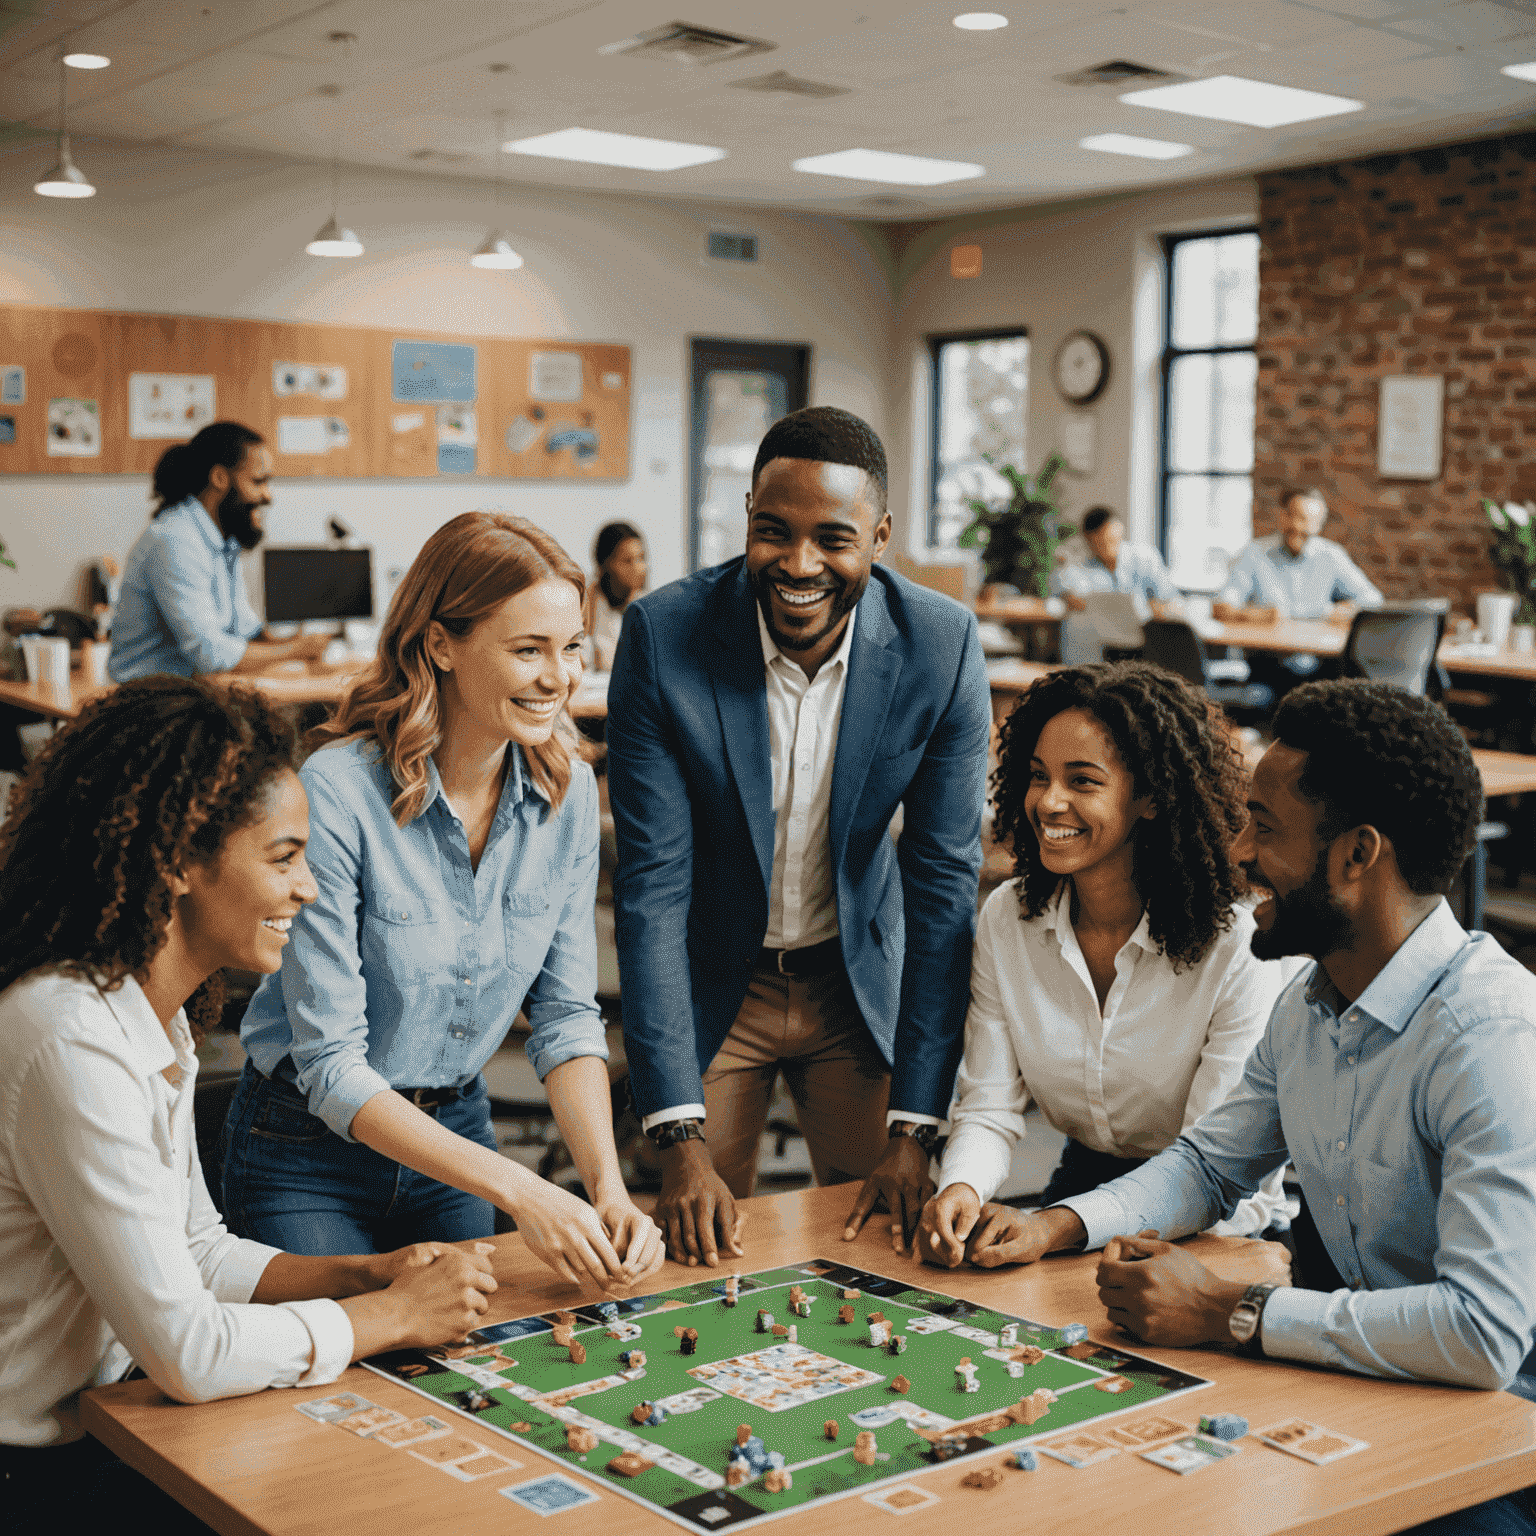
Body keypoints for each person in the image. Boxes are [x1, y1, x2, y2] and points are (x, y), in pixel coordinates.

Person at [943, 680, 1536, 1536]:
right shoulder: (1311, 1001)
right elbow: (1208, 1165)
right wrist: (1054, 1225)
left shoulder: (1488, 1037)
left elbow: (1482, 1336)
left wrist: (1229, 1310)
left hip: (1504, 1421)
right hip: (1374, 1383)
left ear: (1356, 855)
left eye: (1265, 826)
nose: (1239, 848)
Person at [0, 679, 497, 1532]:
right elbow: (190, 1351)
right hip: (39, 1471)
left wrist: (367, 1275)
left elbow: (197, 1251)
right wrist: (387, 1315)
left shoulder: (154, 1015)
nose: (307, 888)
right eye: (282, 856)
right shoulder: (66, 1034)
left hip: (116, 1420)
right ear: (177, 860)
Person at [222, 512, 662, 1293]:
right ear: (440, 644)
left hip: (455, 1130)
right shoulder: (338, 792)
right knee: (337, 1388)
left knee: (473, 1368)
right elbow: (329, 1065)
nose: (558, 678)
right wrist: (523, 1188)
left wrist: (609, 1190)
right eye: (528, 650)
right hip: (307, 1150)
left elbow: (564, 1019)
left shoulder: (565, 796)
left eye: (570, 648)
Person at [607, 405, 991, 1267]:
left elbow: (942, 891)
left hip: (853, 986)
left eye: (834, 539)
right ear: (746, 515)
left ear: (881, 537)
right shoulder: (664, 637)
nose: (800, 564)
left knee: (885, 1249)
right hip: (719, 982)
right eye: (773, 531)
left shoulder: (940, 645)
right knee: (695, 1249)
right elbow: (653, 889)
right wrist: (676, 1136)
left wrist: (918, 1129)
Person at [917, 663, 1292, 1268]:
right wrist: (961, 1187)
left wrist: (1052, 1226)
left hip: (1224, 1230)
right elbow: (988, 1104)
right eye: (1037, 777)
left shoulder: (1235, 942)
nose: (1049, 802)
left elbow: (1210, 1174)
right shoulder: (1008, 918)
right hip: (1080, 1196)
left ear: (1149, 797)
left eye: (1082, 782)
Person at [109, 421, 331, 683]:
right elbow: (209, 654)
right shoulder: (176, 539)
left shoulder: (222, 541)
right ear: (220, 478)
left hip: (192, 693)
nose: (268, 496)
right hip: (149, 702)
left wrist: (298, 642)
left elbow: (243, 629)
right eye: (258, 481)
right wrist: (295, 651)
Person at [1215, 487, 1382, 625]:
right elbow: (1222, 606)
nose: (1298, 526)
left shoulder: (1331, 556)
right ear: (1282, 517)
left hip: (1322, 655)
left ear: (1319, 527)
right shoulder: (1254, 553)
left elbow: (1373, 600)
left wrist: (1349, 609)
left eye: (1308, 521)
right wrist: (1257, 615)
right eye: (1293, 516)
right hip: (1266, 655)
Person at [1055, 509, 1180, 664]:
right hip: (1101, 645)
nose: (1107, 548)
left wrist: (1156, 608)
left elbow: (1170, 601)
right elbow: (1070, 596)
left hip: (1144, 643)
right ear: (1088, 540)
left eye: (1112, 540)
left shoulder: (1144, 558)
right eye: (1099, 543)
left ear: (1120, 531)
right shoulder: (1078, 566)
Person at [585, 521, 647, 672]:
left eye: (641, 558)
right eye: (627, 561)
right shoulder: (583, 604)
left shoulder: (648, 606)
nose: (639, 568)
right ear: (603, 564)